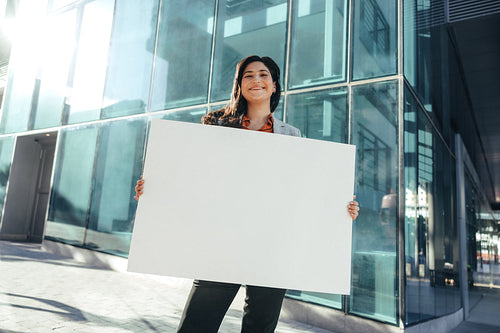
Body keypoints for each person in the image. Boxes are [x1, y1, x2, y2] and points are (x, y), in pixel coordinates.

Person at [134, 55, 360, 333]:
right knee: (197, 325)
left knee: (259, 328)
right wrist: (156, 190)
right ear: (239, 85)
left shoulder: (292, 135)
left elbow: (301, 194)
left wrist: (340, 208)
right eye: (248, 75)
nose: (256, 80)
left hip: (271, 245)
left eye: (263, 75)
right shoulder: (215, 125)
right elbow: (194, 178)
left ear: (274, 85)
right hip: (222, 240)